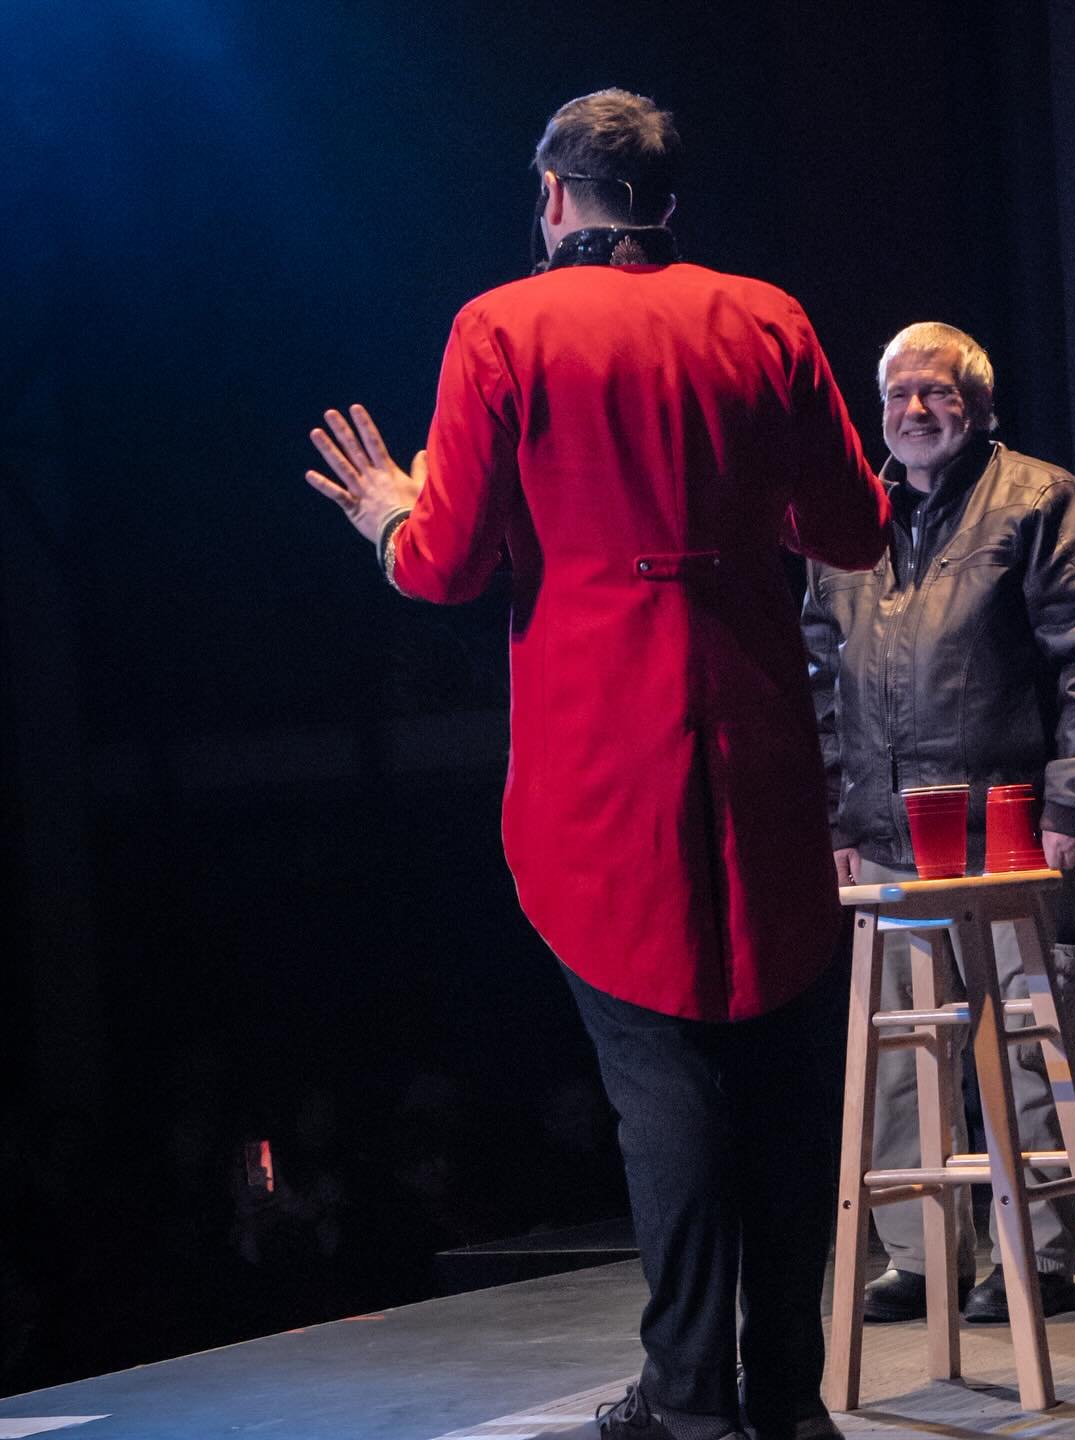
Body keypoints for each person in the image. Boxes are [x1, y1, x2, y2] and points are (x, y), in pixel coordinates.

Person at [304, 90, 889, 1440]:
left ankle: (690, 1399)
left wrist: (391, 513)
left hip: (601, 755)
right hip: (755, 740)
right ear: (667, 201)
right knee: (782, 1086)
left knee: (664, 1087)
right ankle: (788, 1401)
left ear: (558, 195)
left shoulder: (502, 326)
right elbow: (853, 531)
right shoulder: (769, 317)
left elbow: (446, 566)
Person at [801, 322, 1075, 1326]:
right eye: (899, 394)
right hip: (890, 833)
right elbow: (818, 682)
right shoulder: (847, 522)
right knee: (909, 1057)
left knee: (1028, 1041)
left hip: (1009, 827)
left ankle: (1035, 1252)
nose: (915, 411)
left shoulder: (1040, 500)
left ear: (980, 407)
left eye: (938, 393)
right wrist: (834, 817)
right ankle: (923, 1254)